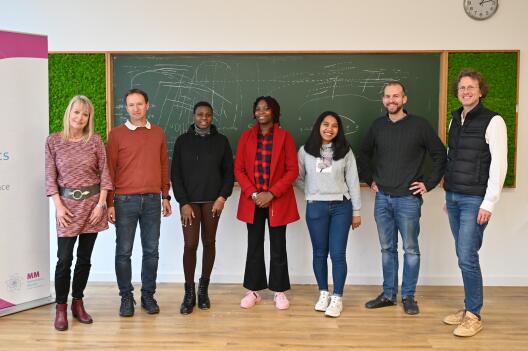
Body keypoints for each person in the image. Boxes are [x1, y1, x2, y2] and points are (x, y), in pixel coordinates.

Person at [358, 81, 446, 315]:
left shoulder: (420, 126)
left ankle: (408, 296)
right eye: (387, 96)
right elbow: (363, 154)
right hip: (383, 199)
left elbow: (439, 154)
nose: (391, 100)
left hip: (408, 200)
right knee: (387, 249)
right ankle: (388, 294)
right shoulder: (377, 126)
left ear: (404, 99)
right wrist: (369, 179)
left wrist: (428, 183)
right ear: (383, 100)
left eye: (396, 96)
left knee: (410, 249)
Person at [442, 70, 507, 337]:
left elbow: (499, 165)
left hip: (475, 199)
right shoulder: (455, 119)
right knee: (463, 254)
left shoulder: (494, 121)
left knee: (467, 256)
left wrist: (488, 203)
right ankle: (469, 306)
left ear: (481, 91)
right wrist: (449, 191)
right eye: (462, 88)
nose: (466, 91)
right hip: (454, 196)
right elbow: (452, 156)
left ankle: (474, 315)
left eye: (471, 87)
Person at [45, 95, 112, 331]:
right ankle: (61, 307)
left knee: (84, 259)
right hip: (66, 209)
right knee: (64, 260)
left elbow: (105, 174)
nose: (80, 118)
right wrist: (59, 206)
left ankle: (78, 303)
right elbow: (50, 178)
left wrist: (101, 204)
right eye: (76, 112)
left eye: (85, 114)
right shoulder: (53, 141)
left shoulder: (95, 141)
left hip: (92, 207)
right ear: (69, 113)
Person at [106, 88, 172, 317]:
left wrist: (165, 196)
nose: (136, 108)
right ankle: (126, 297)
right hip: (124, 201)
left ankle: (148, 296)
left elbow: (164, 165)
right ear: (126, 108)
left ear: (148, 105)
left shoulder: (158, 133)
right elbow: (109, 171)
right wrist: (110, 202)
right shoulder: (115, 135)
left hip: (153, 200)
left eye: (140, 104)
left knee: (151, 251)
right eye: (131, 105)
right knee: (123, 252)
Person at [234, 96, 299, 310]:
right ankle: (253, 291)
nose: (261, 112)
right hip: (253, 201)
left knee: (278, 246)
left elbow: (292, 171)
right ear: (254, 113)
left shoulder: (284, 137)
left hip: (276, 201)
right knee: (254, 245)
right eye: (258, 109)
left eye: (266, 109)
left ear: (274, 112)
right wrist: (254, 194)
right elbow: (239, 170)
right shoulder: (246, 137)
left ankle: (279, 291)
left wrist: (271, 193)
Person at [171, 101, 234, 315]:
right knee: (190, 245)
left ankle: (203, 289)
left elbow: (228, 174)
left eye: (208, 115)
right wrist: (183, 202)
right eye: (200, 114)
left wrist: (222, 198)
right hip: (189, 202)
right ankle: (188, 292)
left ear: (212, 117)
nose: (204, 118)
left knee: (209, 242)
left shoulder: (222, 142)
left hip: (212, 201)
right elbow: (175, 175)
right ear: (193, 116)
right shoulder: (182, 141)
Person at [297, 111, 362, 318]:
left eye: (334, 125)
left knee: (337, 254)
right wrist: (311, 191)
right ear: (318, 126)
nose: (329, 129)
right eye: (325, 124)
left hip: (341, 207)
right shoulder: (306, 151)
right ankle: (323, 293)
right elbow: (297, 177)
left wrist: (356, 211)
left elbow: (353, 182)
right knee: (319, 253)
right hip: (316, 207)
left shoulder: (345, 151)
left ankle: (338, 297)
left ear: (338, 129)